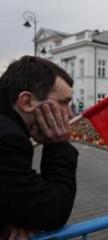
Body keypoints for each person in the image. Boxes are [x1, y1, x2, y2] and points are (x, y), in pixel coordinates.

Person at [0, 56, 78, 239]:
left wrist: (13, 215)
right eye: (63, 103)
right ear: (27, 102)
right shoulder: (7, 138)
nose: (70, 114)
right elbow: (52, 211)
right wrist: (58, 145)